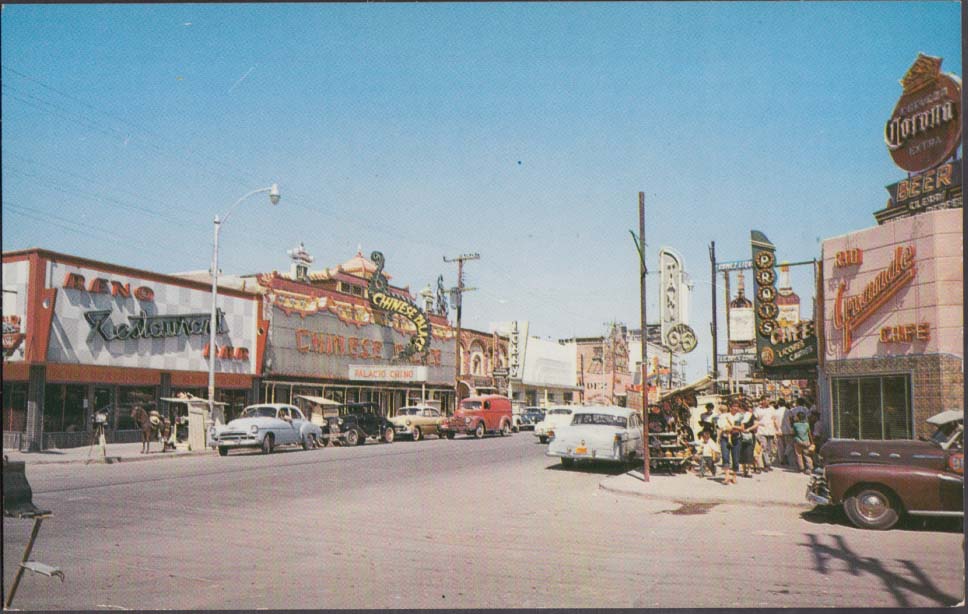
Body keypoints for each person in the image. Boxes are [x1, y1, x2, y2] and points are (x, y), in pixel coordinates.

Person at [715, 404, 737, 485]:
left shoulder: (720, 417)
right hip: (732, 435)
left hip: (725, 436)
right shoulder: (730, 415)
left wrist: (718, 438)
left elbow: (720, 427)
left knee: (725, 457)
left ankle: (727, 476)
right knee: (734, 457)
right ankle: (733, 476)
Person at [754, 396, 776, 471]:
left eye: (769, 400)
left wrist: (777, 430)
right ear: (762, 401)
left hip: (770, 431)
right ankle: (767, 464)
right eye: (767, 400)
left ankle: (768, 462)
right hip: (761, 431)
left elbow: (774, 419)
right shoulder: (757, 410)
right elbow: (755, 420)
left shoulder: (772, 409)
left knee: (770, 448)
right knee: (764, 447)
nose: (768, 401)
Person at [737, 402, 757, 477]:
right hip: (739, 436)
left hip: (749, 435)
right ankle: (744, 469)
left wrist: (749, 429)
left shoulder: (750, 415)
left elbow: (756, 424)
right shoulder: (738, 416)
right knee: (741, 453)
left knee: (749, 452)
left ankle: (749, 470)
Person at [776, 399, 795, 468]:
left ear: (778, 404)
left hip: (779, 431)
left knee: (780, 446)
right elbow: (792, 420)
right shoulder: (788, 411)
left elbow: (774, 421)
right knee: (789, 444)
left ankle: (781, 459)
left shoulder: (776, 411)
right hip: (788, 430)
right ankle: (786, 455)